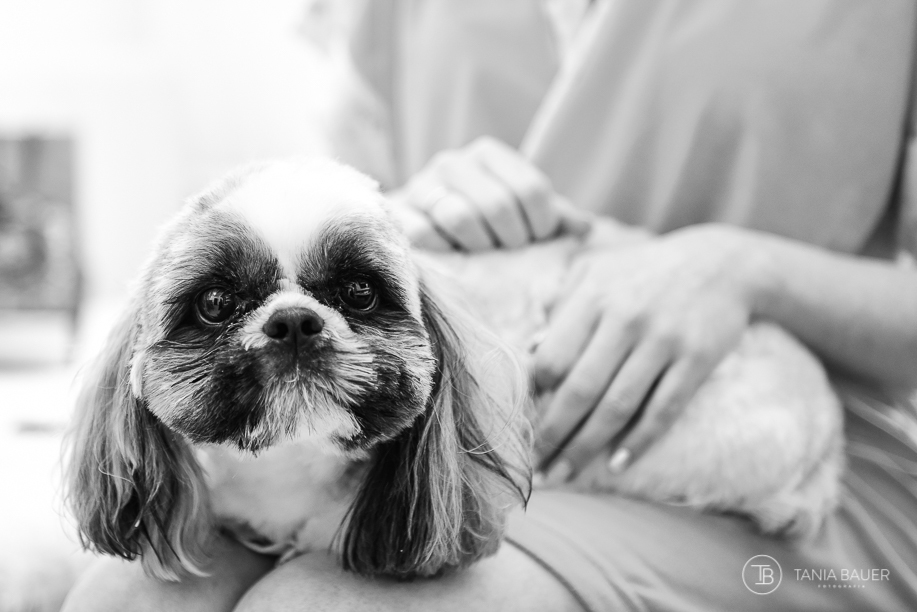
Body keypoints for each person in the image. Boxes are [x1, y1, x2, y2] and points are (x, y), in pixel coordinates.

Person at [64, 1, 917, 610]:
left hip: (790, 471)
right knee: (127, 596)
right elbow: (317, 256)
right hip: (394, 452)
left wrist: (741, 267)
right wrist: (399, 215)